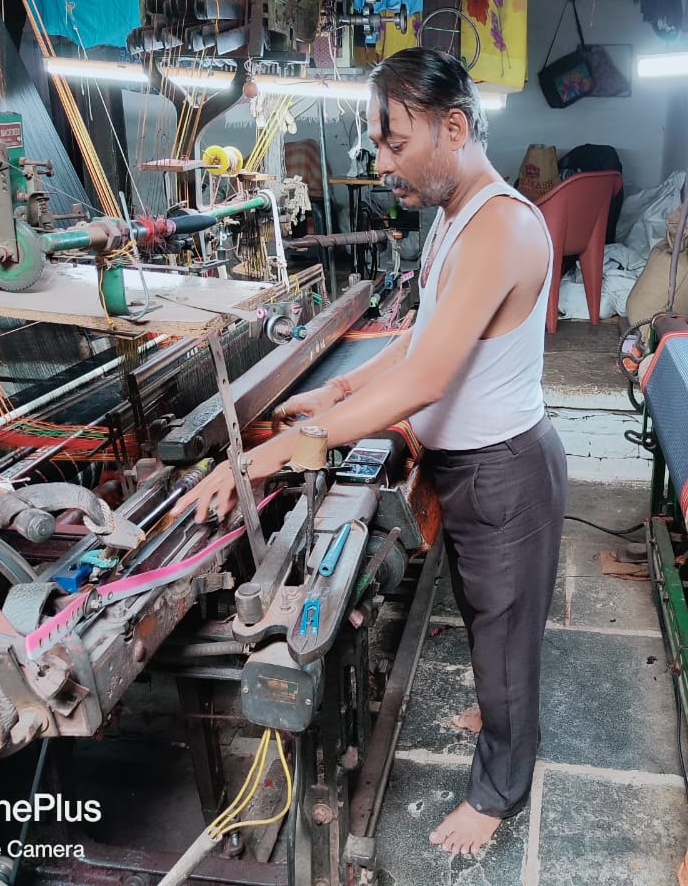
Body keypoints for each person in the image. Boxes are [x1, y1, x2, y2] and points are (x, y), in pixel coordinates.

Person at [174, 47, 567, 855]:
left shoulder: (501, 226)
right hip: (466, 465)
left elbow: (426, 376)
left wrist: (282, 449)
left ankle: (500, 788)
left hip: (505, 470)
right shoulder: (455, 220)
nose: (382, 162)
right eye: (379, 145)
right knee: (481, 610)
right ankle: (501, 712)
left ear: (453, 128)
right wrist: (339, 394)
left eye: (395, 142)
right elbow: (422, 339)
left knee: (505, 627)